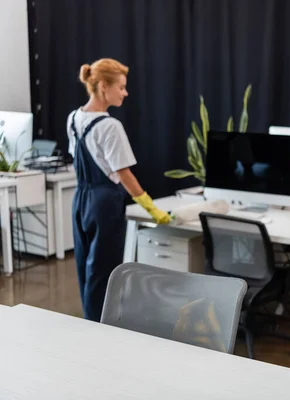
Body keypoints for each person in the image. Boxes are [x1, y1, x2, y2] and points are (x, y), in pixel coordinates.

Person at [67, 58, 171, 322]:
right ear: (104, 86)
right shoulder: (110, 126)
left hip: (80, 199)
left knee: (85, 267)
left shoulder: (74, 118)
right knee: (103, 271)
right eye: (121, 87)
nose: (125, 93)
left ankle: (91, 322)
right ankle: (102, 327)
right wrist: (151, 207)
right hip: (104, 202)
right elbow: (124, 174)